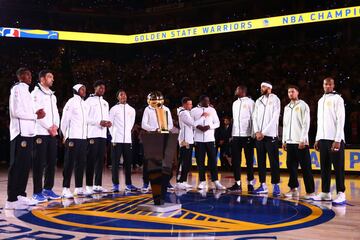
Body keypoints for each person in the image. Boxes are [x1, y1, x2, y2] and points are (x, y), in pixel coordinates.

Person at [6, 68, 45, 209]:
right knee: (17, 166)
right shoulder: (17, 89)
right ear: (20, 76)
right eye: (27, 74)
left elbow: (27, 112)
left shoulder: (27, 91)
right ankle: (11, 199)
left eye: (30, 74)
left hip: (28, 133)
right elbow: (16, 112)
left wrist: (36, 113)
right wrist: (35, 116)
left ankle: (20, 195)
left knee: (25, 166)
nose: (29, 76)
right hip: (20, 133)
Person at [313, 77, 346, 205]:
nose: (327, 86)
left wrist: (337, 139)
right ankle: (325, 192)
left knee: (338, 167)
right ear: (323, 85)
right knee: (325, 167)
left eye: (329, 84)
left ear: (333, 85)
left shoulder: (338, 99)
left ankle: (341, 193)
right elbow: (319, 122)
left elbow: (340, 120)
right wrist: (317, 139)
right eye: (325, 84)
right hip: (323, 139)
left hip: (334, 139)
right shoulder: (321, 100)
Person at [31, 70, 61, 202]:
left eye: (52, 77)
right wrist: (49, 127)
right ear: (42, 79)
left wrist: (56, 126)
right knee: (39, 162)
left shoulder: (52, 95)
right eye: (50, 77)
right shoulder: (35, 94)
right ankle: (37, 192)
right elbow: (37, 114)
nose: (52, 79)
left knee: (51, 162)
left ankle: (48, 189)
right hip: (41, 132)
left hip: (52, 133)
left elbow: (56, 113)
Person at [282, 85, 315, 199]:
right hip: (290, 142)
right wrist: (284, 140)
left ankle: (310, 192)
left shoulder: (303, 105)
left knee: (306, 167)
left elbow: (306, 124)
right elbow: (285, 125)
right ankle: (293, 189)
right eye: (289, 92)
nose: (290, 94)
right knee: (291, 167)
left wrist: (303, 139)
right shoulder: (287, 107)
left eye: (292, 91)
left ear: (297, 93)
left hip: (300, 142)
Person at [60, 84, 89, 198]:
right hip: (72, 137)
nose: (84, 91)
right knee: (69, 163)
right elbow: (65, 119)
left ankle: (78, 188)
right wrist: (65, 134)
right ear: (76, 90)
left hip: (83, 138)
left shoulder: (85, 104)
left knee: (81, 163)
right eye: (82, 89)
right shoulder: (71, 102)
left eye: (85, 89)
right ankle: (65, 188)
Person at [253, 82, 281, 196]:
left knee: (273, 161)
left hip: (270, 136)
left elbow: (275, 117)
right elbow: (254, 116)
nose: (261, 89)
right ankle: (263, 185)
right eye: (261, 87)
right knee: (261, 161)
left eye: (263, 87)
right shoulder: (258, 100)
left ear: (269, 88)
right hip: (259, 136)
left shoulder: (275, 99)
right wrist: (256, 131)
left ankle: (276, 185)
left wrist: (263, 132)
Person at [191, 95, 226, 190]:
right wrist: (198, 127)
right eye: (206, 101)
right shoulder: (194, 111)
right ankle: (202, 181)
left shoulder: (212, 110)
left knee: (213, 161)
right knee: (200, 161)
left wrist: (209, 127)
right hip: (198, 139)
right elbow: (191, 123)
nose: (208, 102)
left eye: (208, 100)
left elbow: (217, 123)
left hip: (210, 139)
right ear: (201, 101)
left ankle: (216, 181)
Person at [141, 92, 174, 191]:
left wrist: (164, 129)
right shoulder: (147, 109)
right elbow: (144, 124)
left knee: (165, 161)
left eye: (157, 100)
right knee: (148, 161)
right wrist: (155, 129)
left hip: (164, 136)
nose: (156, 102)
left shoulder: (166, 109)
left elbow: (171, 124)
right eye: (153, 100)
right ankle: (146, 183)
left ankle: (166, 181)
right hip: (152, 136)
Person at [175, 97, 208, 190]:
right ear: (184, 104)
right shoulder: (183, 113)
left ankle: (183, 181)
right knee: (183, 161)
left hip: (189, 140)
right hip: (185, 141)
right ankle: (179, 182)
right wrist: (203, 117)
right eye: (189, 104)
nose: (191, 105)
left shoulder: (186, 112)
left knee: (187, 162)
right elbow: (193, 123)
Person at [109, 90, 138, 192]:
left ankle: (128, 184)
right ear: (118, 97)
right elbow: (110, 124)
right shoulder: (113, 109)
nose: (123, 96)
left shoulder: (132, 110)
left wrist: (126, 135)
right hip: (116, 139)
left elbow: (131, 124)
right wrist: (115, 135)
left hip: (127, 140)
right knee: (115, 163)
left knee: (128, 163)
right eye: (121, 95)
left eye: (124, 94)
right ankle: (115, 184)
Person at [228, 85, 255, 193]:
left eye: (237, 89)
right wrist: (232, 134)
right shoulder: (235, 103)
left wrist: (252, 134)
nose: (235, 90)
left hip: (247, 135)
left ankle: (250, 184)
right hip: (236, 136)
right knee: (236, 161)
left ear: (242, 90)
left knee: (249, 161)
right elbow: (234, 120)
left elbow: (254, 119)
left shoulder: (250, 102)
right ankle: (237, 183)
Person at [85, 80, 111, 194]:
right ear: (95, 88)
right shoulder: (88, 101)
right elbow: (85, 118)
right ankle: (89, 186)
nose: (102, 90)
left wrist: (108, 123)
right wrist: (98, 122)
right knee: (91, 160)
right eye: (100, 88)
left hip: (102, 135)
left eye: (103, 88)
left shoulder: (105, 103)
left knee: (100, 160)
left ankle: (98, 185)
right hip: (92, 134)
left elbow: (106, 117)